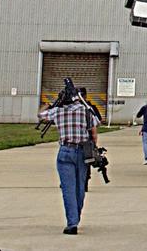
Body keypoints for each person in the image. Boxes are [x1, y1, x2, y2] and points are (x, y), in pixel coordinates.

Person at [38, 89, 100, 235]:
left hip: (65, 151)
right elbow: (94, 129)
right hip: (83, 151)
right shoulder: (85, 111)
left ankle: (72, 222)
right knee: (80, 187)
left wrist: (49, 104)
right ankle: (75, 217)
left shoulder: (57, 111)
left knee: (68, 188)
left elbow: (41, 115)